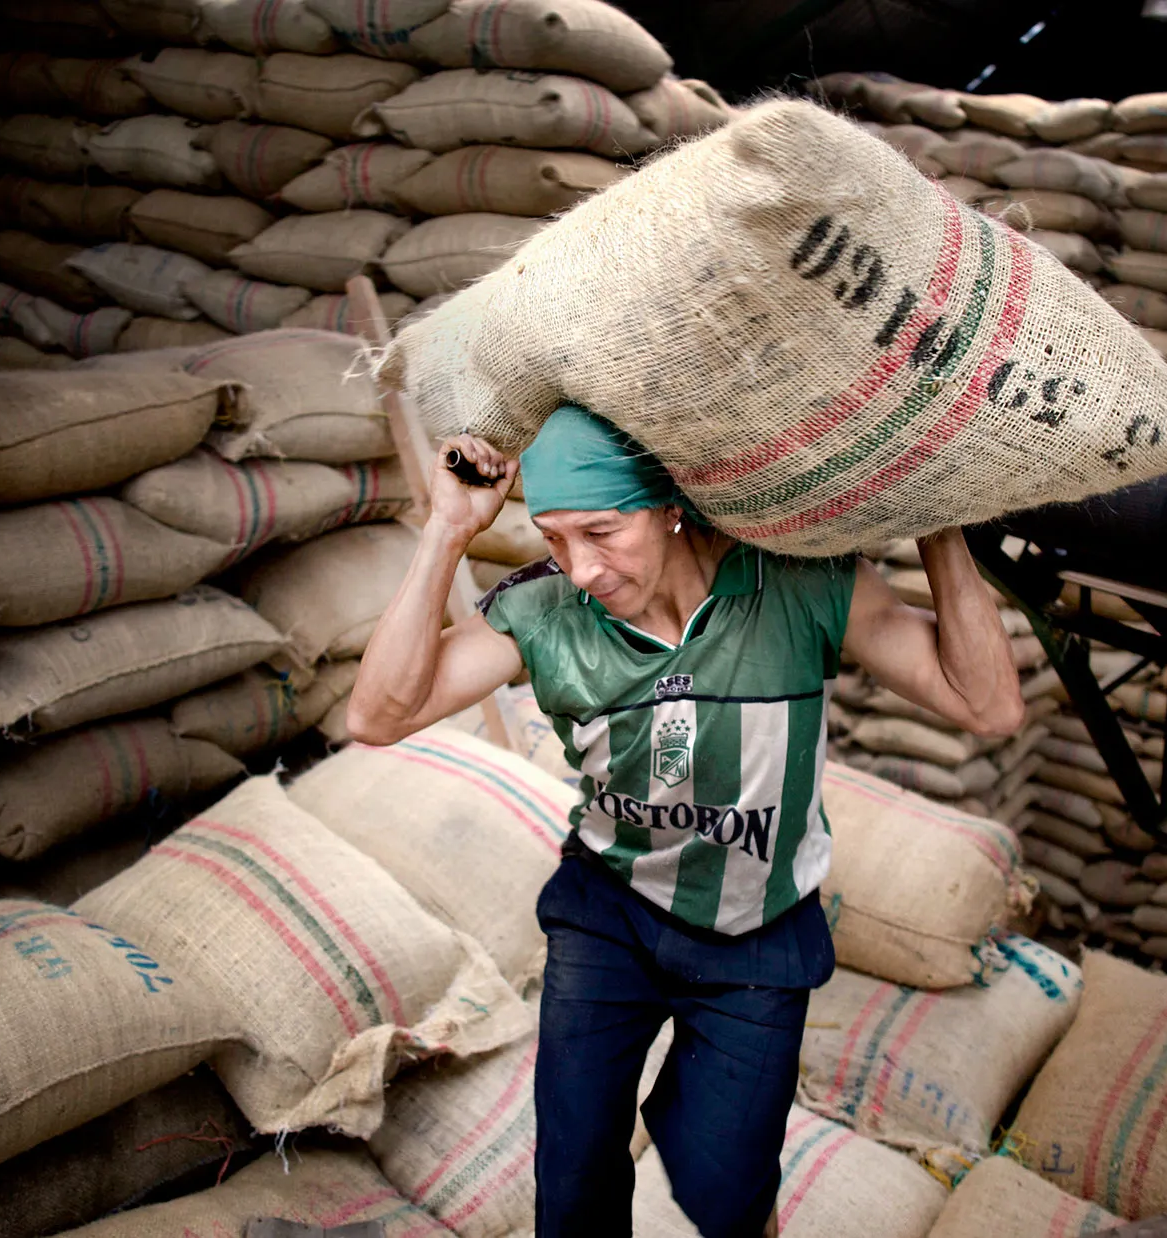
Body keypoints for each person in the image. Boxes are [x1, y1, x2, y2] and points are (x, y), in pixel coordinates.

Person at [348, 405, 1026, 1238]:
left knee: (726, 1192)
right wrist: (448, 529)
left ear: (671, 504)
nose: (582, 568)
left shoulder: (796, 586)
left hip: (758, 932)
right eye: (556, 538)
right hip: (609, 913)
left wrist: (939, 527)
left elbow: (987, 704)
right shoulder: (546, 609)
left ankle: (700, 1132)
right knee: (573, 1177)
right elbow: (378, 716)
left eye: (603, 531)